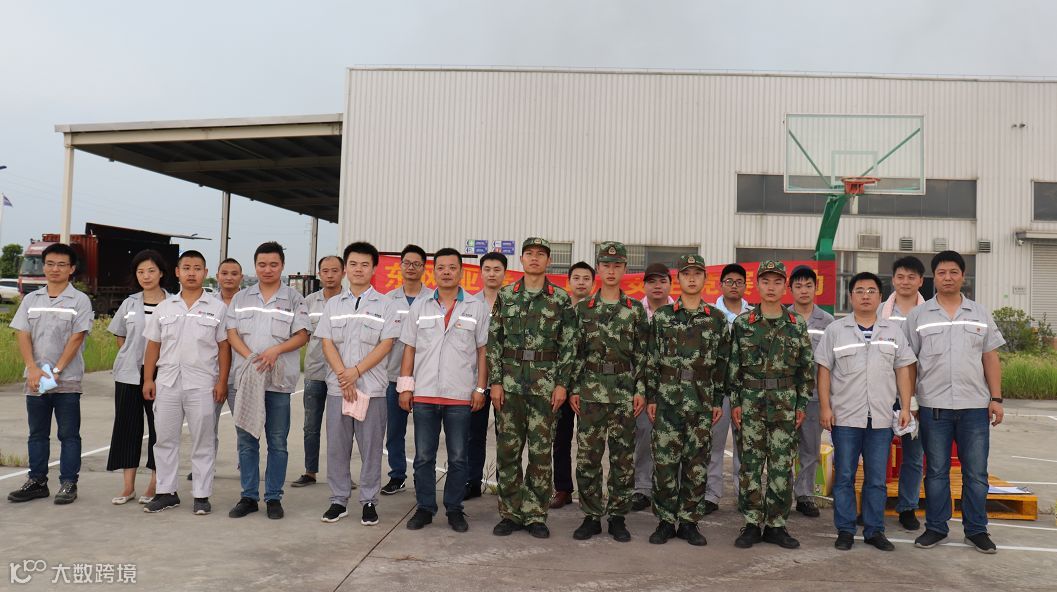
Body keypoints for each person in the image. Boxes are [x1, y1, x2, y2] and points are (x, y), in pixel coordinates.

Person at [904, 251, 1005, 554]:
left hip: (974, 407)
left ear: (962, 276)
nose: (947, 278)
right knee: (936, 471)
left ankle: (976, 530)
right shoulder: (918, 316)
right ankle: (936, 528)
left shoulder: (979, 313)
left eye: (953, 272)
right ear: (934, 277)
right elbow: (908, 363)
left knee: (976, 473)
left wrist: (996, 398)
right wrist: (910, 401)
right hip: (933, 407)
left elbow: (990, 357)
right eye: (941, 273)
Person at [816, 272, 915, 551]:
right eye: (859, 290)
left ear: (880, 297)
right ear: (850, 296)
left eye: (871, 291)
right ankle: (845, 530)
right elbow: (823, 371)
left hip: (881, 418)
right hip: (846, 417)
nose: (865, 296)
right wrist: (825, 407)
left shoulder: (893, 332)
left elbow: (903, 370)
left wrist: (906, 407)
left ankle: (874, 530)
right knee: (844, 476)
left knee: (876, 479)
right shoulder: (836, 330)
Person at [487, 237, 576, 539]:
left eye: (541, 254)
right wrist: (495, 382)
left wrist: (562, 384)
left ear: (548, 261)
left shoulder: (560, 298)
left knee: (540, 454)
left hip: (544, 388)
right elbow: (494, 341)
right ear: (522, 259)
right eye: (529, 254)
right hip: (510, 387)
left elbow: (568, 345)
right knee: (508, 452)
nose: (535, 258)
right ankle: (510, 513)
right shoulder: (507, 295)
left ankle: (536, 514)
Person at [398, 247, 490, 532]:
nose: (447, 272)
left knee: (458, 457)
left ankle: (454, 509)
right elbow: (409, 348)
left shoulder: (476, 307)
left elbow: (483, 352)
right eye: (441, 268)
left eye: (452, 268)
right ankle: (425, 508)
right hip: (424, 393)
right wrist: (405, 387)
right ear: (434, 271)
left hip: (460, 396)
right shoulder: (420, 306)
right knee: (424, 457)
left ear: (461, 272)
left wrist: (480, 389)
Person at [729, 260, 814, 550]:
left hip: (784, 404)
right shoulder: (743, 324)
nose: (771, 287)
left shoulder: (796, 324)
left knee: (781, 466)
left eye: (777, 282)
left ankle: (777, 524)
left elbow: (806, 369)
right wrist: (736, 402)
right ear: (757, 285)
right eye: (765, 281)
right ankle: (752, 523)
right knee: (750, 466)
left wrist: (801, 404)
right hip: (751, 404)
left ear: (785, 287)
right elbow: (734, 368)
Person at [646, 254, 729, 546]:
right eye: (686, 274)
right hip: (667, 399)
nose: (691, 278)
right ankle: (665, 521)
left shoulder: (716, 319)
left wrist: (717, 400)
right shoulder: (663, 317)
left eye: (697, 273)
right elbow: (652, 359)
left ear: (705, 278)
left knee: (696, 463)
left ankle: (690, 521)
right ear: (678, 279)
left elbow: (722, 363)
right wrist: (651, 396)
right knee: (665, 462)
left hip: (701, 399)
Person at [315, 242, 400, 526]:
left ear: (374, 269)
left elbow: (386, 344)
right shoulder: (333, 305)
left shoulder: (386, 305)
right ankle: (338, 500)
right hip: (338, 388)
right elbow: (327, 342)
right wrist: (344, 375)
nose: (358, 269)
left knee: (371, 448)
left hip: (371, 390)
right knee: (337, 447)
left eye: (365, 264)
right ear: (345, 269)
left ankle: (369, 501)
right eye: (353, 264)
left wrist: (356, 372)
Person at [569, 243, 649, 542]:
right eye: (606, 265)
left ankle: (617, 517)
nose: (611, 271)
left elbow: (642, 355)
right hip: (590, 393)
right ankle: (591, 516)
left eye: (617, 266)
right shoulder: (583, 309)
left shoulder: (635, 310)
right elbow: (575, 353)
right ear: (598, 269)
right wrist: (575, 387)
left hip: (623, 392)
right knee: (588, 457)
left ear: (625, 269)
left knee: (622, 459)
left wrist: (640, 389)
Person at [141, 250, 230, 516]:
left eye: (197, 268)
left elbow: (223, 347)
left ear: (205, 273)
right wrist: (148, 379)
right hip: (167, 382)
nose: (192, 273)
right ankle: (166, 492)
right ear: (177, 272)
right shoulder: (165, 307)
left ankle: (201, 495)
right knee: (165, 439)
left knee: (203, 440)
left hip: (202, 383)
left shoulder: (217, 308)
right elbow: (153, 345)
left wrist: (222, 381)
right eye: (187, 268)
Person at [226, 242, 310, 520]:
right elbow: (231, 332)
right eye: (262, 264)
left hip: (278, 382)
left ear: (282, 266)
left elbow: (302, 335)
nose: (267, 269)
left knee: (277, 441)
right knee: (246, 440)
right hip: (247, 379)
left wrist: (276, 350)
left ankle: (273, 497)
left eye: (273, 264)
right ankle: (248, 496)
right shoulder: (241, 298)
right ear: (255, 266)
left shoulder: (294, 299)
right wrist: (250, 356)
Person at [7, 243, 93, 505]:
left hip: (66, 380)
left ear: (72, 269)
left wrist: (55, 371)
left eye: (62, 265)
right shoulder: (31, 299)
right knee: (37, 433)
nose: (55, 269)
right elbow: (23, 333)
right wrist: (33, 368)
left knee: (68, 434)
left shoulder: (79, 300)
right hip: (35, 380)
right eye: (50, 264)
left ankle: (68, 483)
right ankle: (37, 482)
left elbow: (77, 337)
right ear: (44, 267)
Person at [107, 250, 169, 505]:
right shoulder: (129, 303)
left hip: (161, 373)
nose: (146, 276)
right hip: (129, 373)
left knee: (159, 429)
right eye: (141, 271)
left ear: (161, 273)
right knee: (127, 428)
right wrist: (130, 356)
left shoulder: (173, 303)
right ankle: (128, 486)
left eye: (151, 271)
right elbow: (120, 335)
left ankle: (155, 482)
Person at [382, 244, 433, 496]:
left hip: (425, 377)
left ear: (424, 268)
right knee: (394, 431)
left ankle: (424, 478)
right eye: (407, 263)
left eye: (416, 264)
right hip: (394, 375)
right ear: (400, 266)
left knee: (426, 433)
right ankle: (397, 475)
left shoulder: (433, 299)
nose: (411, 268)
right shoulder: (387, 300)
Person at [292, 255, 347, 488]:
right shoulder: (308, 302)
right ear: (319, 274)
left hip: (342, 375)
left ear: (343, 272)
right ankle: (310, 471)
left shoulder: (350, 302)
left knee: (342, 428)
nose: (330, 275)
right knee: (311, 426)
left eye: (335, 270)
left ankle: (342, 474)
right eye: (325, 271)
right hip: (315, 372)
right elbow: (301, 335)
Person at [882, 255, 927, 530]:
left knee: (913, 454)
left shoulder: (929, 313)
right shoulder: (880, 311)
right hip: (882, 393)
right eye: (900, 276)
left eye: (912, 277)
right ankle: (874, 504)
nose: (906, 281)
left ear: (921, 281)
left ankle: (908, 507)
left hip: (917, 395)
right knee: (877, 452)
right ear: (893, 280)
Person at [788, 265, 834, 518]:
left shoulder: (828, 322)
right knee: (783, 447)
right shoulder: (782, 318)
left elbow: (831, 364)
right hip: (784, 397)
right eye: (798, 286)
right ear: (791, 289)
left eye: (808, 286)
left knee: (810, 448)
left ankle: (804, 495)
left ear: (816, 288)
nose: (803, 290)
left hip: (814, 396)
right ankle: (781, 494)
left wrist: (829, 401)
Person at [705, 263, 750, 514]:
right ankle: (711, 494)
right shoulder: (710, 315)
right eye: (729, 281)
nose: (734, 286)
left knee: (745, 445)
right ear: (720, 285)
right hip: (718, 390)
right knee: (714, 444)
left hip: (746, 391)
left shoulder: (753, 315)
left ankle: (744, 494)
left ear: (745, 286)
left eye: (739, 282)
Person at [550, 261, 595, 510]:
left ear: (593, 283)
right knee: (560, 439)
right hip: (562, 384)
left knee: (589, 443)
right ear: (568, 282)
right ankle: (563, 489)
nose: (581, 282)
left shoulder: (598, 311)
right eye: (576, 278)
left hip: (591, 386)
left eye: (586, 278)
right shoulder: (559, 309)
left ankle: (590, 492)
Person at [195, 257, 243, 482]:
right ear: (217, 276)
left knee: (244, 427)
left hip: (240, 376)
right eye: (224, 273)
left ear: (241, 277)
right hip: (212, 376)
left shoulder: (247, 303)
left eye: (234, 273)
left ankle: (245, 466)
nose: (229, 278)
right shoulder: (207, 303)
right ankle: (206, 467)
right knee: (207, 426)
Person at [466, 251, 508, 499]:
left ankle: (505, 483)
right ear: (480, 273)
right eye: (487, 269)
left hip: (506, 381)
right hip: (476, 380)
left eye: (497, 270)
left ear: (505, 273)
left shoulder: (513, 302)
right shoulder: (470, 304)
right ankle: (472, 481)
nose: (492, 274)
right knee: (474, 434)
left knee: (506, 435)